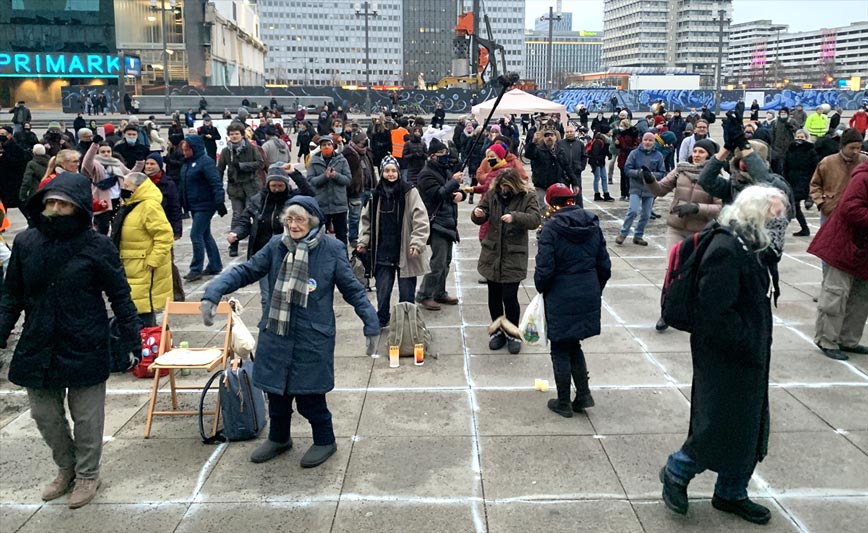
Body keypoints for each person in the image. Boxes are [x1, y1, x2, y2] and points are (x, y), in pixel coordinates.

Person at [202, 196, 379, 467]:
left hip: (312, 336)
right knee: (277, 395)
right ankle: (279, 438)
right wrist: (214, 291)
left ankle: (325, 441)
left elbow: (352, 289)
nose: (294, 225)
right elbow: (246, 271)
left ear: (313, 222)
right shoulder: (276, 245)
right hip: (277, 333)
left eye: (300, 220)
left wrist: (370, 322)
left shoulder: (331, 249)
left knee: (311, 399)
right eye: (290, 219)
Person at [0, 172, 140, 509]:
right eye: (50, 202)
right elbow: (10, 296)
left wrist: (133, 338)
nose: (55, 208)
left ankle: (88, 474)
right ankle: (66, 468)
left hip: (85, 340)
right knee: (44, 415)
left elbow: (119, 295)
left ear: (78, 208)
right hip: (38, 342)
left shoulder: (98, 246)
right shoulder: (25, 242)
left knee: (88, 418)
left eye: (63, 203)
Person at [660, 185, 787, 525]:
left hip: (748, 352)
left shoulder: (751, 242)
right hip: (726, 354)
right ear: (755, 214)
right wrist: (747, 341)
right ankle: (677, 470)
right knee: (718, 422)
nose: (780, 221)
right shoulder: (727, 248)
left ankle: (732, 491)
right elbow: (715, 312)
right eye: (775, 214)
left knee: (748, 426)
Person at [535, 183, 611, 416]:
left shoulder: (550, 229)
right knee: (574, 343)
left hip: (561, 293)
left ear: (550, 203)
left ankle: (564, 401)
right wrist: (594, 288)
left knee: (559, 346)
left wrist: (542, 289)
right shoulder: (592, 224)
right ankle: (584, 395)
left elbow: (544, 270)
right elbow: (605, 265)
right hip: (587, 289)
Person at [471, 168, 541, 354]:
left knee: (509, 296)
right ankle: (497, 332)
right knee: (493, 295)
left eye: (507, 186)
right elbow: (483, 211)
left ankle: (512, 333)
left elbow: (535, 219)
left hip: (513, 254)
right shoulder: (493, 194)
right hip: (492, 252)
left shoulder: (528, 196)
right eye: (501, 186)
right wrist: (478, 214)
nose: (504, 190)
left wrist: (515, 217)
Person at [357, 156, 431, 328]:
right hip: (383, 252)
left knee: (407, 292)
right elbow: (366, 221)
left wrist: (417, 243)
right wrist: (363, 241)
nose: (390, 174)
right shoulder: (375, 195)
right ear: (381, 173)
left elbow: (421, 218)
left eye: (393, 170)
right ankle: (382, 318)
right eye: (387, 171)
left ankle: (407, 322)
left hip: (405, 250)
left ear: (398, 172)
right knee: (383, 291)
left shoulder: (409, 191)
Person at [229, 165, 314, 308]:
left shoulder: (294, 199)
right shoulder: (258, 200)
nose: (276, 189)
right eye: (273, 185)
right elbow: (245, 219)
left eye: (280, 186)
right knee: (267, 296)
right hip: (264, 253)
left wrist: (294, 173)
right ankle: (267, 325)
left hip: (289, 254)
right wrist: (237, 232)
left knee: (289, 294)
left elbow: (310, 193)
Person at [808, 159, 868, 361]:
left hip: (863, 251)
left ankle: (848, 340)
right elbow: (851, 208)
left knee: (860, 298)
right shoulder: (863, 177)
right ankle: (826, 339)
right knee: (836, 294)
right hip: (845, 244)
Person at [111, 172, 174, 326]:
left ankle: (149, 343)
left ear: (139, 188)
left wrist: (153, 260)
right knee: (133, 307)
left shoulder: (149, 206)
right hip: (130, 264)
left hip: (143, 267)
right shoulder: (129, 205)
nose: (124, 190)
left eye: (127, 187)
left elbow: (165, 236)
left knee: (143, 309)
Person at [415, 138, 466, 310]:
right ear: (433, 156)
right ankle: (424, 294)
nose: (446, 156)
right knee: (437, 262)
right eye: (442, 154)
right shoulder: (426, 174)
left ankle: (439, 292)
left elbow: (453, 192)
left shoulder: (445, 170)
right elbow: (437, 194)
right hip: (436, 222)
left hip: (449, 220)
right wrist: (454, 183)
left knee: (446, 262)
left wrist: (461, 194)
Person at [179, 135, 226, 281]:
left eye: (187, 150)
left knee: (195, 234)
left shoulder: (205, 162)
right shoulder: (187, 163)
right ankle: (215, 264)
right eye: (183, 150)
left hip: (205, 205)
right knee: (205, 234)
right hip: (194, 204)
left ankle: (196, 268)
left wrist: (220, 202)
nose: (184, 152)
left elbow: (216, 182)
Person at [218, 122, 265, 257]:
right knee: (237, 215)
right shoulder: (226, 151)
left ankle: (258, 242)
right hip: (235, 188)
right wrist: (218, 187)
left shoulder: (251, 148)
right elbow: (220, 169)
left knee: (255, 214)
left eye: (237, 134)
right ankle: (234, 244)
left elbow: (260, 163)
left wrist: (243, 166)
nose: (234, 137)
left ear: (242, 135)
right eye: (232, 134)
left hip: (251, 187)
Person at [616, 132, 665, 246]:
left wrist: (651, 175)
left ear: (654, 142)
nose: (647, 142)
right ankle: (623, 233)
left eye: (650, 140)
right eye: (645, 140)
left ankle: (638, 235)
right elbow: (627, 169)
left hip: (650, 189)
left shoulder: (658, 155)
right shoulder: (634, 153)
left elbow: (662, 172)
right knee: (633, 210)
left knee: (646, 214)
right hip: (636, 187)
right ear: (642, 140)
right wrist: (639, 173)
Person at [809, 128, 867, 225]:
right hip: (830, 212)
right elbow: (815, 185)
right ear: (842, 146)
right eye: (852, 148)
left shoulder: (865, 162)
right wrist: (821, 203)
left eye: (858, 148)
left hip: (857, 214)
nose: (855, 151)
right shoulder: (827, 162)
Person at [308, 137, 352, 246]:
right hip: (321, 206)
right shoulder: (314, 161)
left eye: (329, 144)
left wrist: (336, 176)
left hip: (339, 206)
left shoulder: (341, 160)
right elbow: (310, 181)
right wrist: (325, 177)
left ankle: (342, 259)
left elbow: (348, 180)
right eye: (324, 145)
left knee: (341, 235)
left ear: (333, 146)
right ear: (320, 148)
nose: (326, 147)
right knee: (318, 236)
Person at [525, 126, 576, 209]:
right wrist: (533, 142)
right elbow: (528, 155)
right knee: (543, 209)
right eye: (546, 136)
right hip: (542, 186)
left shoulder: (560, 151)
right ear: (543, 138)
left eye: (551, 135)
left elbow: (567, 168)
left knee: (559, 209)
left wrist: (575, 183)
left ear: (555, 137)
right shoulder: (538, 150)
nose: (549, 138)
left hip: (556, 186)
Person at [343, 131, 377, 246]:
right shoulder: (349, 154)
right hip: (356, 191)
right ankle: (353, 238)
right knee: (355, 216)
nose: (365, 144)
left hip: (369, 188)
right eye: (363, 142)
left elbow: (371, 169)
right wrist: (352, 186)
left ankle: (370, 236)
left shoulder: (367, 152)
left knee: (372, 214)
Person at [783, 129, 820, 236]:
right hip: (791, 180)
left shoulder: (811, 151)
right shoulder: (790, 149)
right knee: (794, 205)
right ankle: (804, 228)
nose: (800, 139)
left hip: (804, 180)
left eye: (802, 137)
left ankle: (800, 227)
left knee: (793, 204)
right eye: (798, 137)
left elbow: (814, 167)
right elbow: (785, 165)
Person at [0, 125, 29, 209]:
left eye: (3, 134)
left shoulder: (16, 147)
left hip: (13, 182)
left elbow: (19, 162)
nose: (1, 136)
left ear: (10, 135)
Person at [557, 125, 587, 202]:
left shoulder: (580, 144)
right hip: (564, 174)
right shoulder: (560, 144)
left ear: (575, 132)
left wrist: (581, 167)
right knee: (563, 195)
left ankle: (579, 211)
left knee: (578, 194)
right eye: (567, 132)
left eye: (571, 132)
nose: (569, 133)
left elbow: (584, 157)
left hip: (576, 173)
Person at [615, 119, 641, 200]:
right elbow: (619, 145)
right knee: (622, 176)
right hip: (622, 156)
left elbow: (637, 145)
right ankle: (623, 193)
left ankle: (630, 193)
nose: (621, 127)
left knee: (629, 176)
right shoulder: (620, 134)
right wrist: (617, 144)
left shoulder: (633, 133)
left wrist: (629, 149)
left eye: (622, 125)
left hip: (630, 156)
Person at [588, 124, 614, 202]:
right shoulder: (599, 141)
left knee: (604, 178)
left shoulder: (606, 140)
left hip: (601, 161)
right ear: (606, 132)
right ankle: (597, 194)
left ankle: (606, 194)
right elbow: (595, 153)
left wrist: (609, 155)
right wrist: (595, 164)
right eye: (610, 131)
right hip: (596, 162)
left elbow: (605, 150)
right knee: (597, 178)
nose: (611, 132)